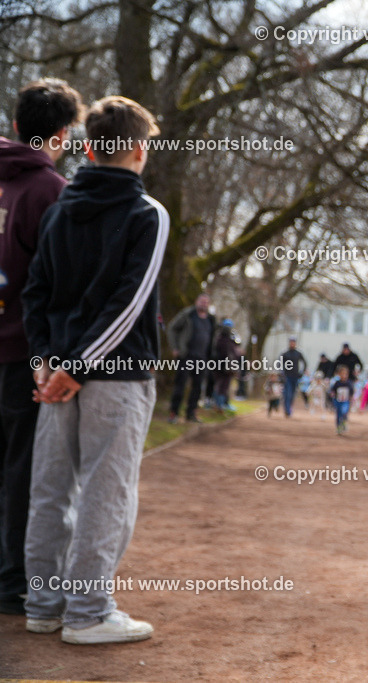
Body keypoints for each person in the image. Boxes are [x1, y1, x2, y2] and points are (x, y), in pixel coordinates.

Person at [21, 95, 165, 644]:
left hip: (57, 374)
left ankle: (44, 605)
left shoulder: (59, 208)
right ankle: (87, 613)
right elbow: (129, 305)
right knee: (108, 490)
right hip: (111, 375)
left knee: (51, 490)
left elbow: (36, 294)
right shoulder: (147, 213)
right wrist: (74, 367)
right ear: (136, 150)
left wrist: (45, 363)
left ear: (88, 148)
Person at [0, 77, 82, 616]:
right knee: (23, 470)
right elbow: (57, 281)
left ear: (13, 126)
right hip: (21, 353)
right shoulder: (50, 190)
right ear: (64, 134)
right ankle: (12, 582)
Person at [167, 293, 216, 423]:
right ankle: (174, 413)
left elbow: (212, 338)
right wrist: (175, 348)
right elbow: (172, 328)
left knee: (198, 387)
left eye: (206, 302)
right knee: (180, 385)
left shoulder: (211, 319)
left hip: (202, 358)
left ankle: (191, 414)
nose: (203, 304)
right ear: (196, 301)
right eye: (201, 301)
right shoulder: (188, 314)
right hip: (186, 356)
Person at [211, 319, 240, 413]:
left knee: (222, 387)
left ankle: (220, 405)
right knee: (221, 387)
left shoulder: (229, 340)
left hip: (225, 367)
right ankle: (219, 405)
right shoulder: (221, 340)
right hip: (222, 367)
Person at [279, 336, 306, 417]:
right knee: (287, 393)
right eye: (291, 342)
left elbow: (305, 363)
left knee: (293, 394)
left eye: (293, 342)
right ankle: (287, 410)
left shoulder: (298, 353)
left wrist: (301, 373)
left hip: (295, 377)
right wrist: (282, 373)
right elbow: (279, 364)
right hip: (287, 377)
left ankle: (289, 408)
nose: (292, 343)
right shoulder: (285, 353)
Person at [328, 366, 354, 434]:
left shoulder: (349, 383)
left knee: (344, 412)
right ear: (339, 374)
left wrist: (351, 398)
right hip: (338, 401)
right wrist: (332, 394)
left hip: (345, 401)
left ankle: (344, 422)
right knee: (338, 414)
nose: (344, 375)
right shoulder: (337, 383)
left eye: (345, 374)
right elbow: (332, 390)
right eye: (342, 374)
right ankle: (338, 427)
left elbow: (351, 391)